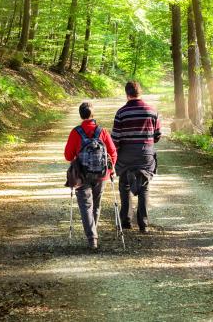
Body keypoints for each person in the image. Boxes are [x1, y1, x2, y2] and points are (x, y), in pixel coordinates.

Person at [64, 101, 117, 250]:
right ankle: (93, 232)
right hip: (101, 175)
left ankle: (92, 238)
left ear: (81, 115)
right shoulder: (103, 132)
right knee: (96, 204)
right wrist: (110, 170)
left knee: (86, 205)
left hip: (81, 175)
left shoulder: (76, 132)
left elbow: (68, 156)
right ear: (93, 114)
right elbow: (112, 152)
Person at [112, 81, 161, 233]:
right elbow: (158, 135)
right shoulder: (152, 111)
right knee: (144, 188)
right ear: (140, 92)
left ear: (127, 94)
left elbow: (115, 139)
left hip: (126, 155)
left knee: (125, 185)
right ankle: (143, 224)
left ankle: (126, 221)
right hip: (146, 154)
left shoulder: (121, 113)